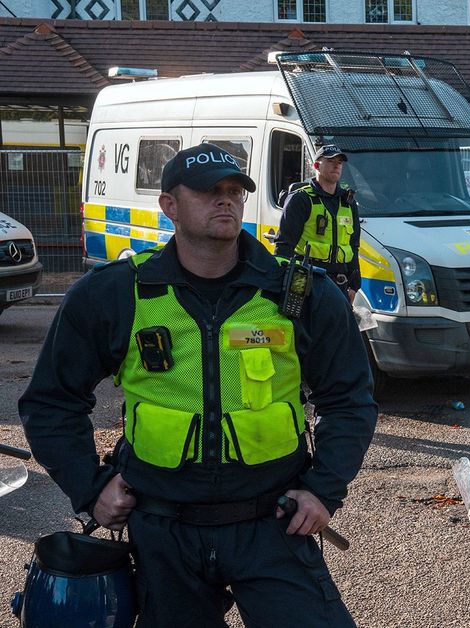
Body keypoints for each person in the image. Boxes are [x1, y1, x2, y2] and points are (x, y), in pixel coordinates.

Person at [19, 143, 377, 627]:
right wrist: (91, 488)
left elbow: (350, 399)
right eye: (209, 191)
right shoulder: (117, 293)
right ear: (169, 205)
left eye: (234, 191)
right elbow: (51, 403)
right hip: (163, 531)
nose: (225, 200)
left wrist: (323, 491)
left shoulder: (299, 293)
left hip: (272, 523)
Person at [275, 144, 361, 301]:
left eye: (339, 162)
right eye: (330, 161)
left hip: (338, 280)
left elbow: (353, 245)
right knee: (297, 316)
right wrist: (280, 283)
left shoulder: (348, 203)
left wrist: (354, 285)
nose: (336, 165)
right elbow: (283, 245)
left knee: (339, 318)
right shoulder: (301, 199)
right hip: (303, 276)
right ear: (316, 166)